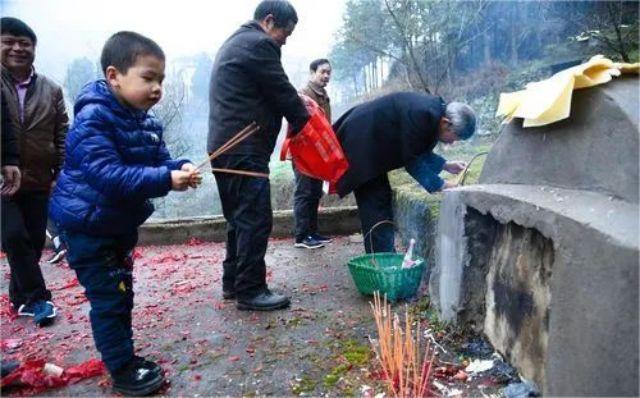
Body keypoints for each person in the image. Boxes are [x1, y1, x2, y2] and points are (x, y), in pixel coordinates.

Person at [49, 31, 201, 396]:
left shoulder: (147, 123)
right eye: (148, 78)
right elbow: (109, 176)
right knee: (109, 298)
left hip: (117, 226)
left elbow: (162, 162)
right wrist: (167, 179)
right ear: (114, 75)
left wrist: (182, 166)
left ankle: (124, 357)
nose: (157, 88)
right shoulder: (93, 119)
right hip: (87, 228)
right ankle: (121, 369)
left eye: (161, 80)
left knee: (122, 292)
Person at [208, 0, 310, 311]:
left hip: (224, 147)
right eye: (286, 32)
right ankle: (251, 290)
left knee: (239, 218)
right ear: (269, 21)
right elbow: (280, 90)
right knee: (254, 219)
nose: (285, 40)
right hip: (243, 147)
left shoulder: (238, 41)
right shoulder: (259, 44)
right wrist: (304, 119)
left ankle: (233, 283)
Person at [333, 92, 475, 253]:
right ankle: (381, 261)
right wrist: (442, 185)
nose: (453, 142)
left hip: (369, 143)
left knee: (381, 199)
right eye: (455, 137)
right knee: (375, 202)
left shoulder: (431, 114)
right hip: (360, 141)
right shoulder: (421, 115)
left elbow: (417, 150)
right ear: (446, 123)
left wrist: (445, 165)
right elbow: (412, 161)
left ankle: (382, 255)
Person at [1, 17, 68, 326]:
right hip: (2, 179)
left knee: (31, 241)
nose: (17, 48)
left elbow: (62, 134)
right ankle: (39, 298)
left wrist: (61, 173)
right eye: (9, 41)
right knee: (14, 237)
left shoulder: (51, 90)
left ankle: (20, 299)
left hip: (40, 178)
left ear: (34, 49)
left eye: (24, 43)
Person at [292, 58, 333, 249]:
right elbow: (298, 124)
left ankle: (312, 232)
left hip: (318, 153)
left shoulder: (323, 95)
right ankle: (302, 236)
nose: (326, 76)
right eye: (322, 72)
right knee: (304, 192)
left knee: (315, 192)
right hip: (304, 152)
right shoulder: (303, 95)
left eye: (328, 73)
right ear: (312, 73)